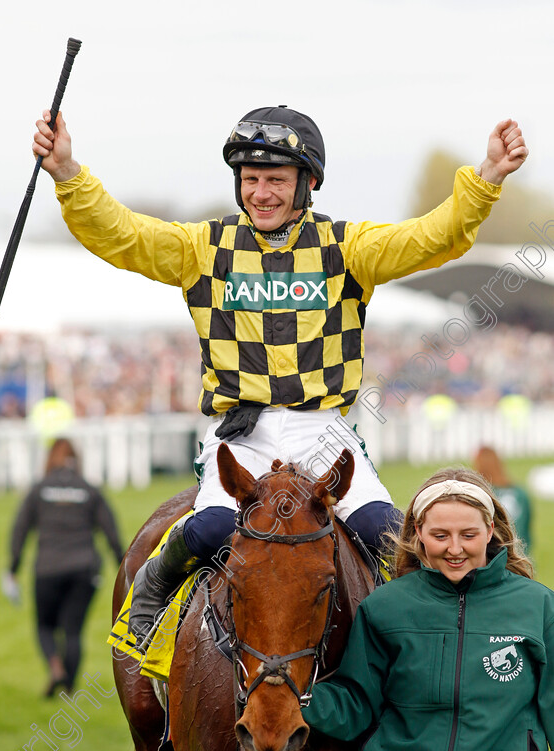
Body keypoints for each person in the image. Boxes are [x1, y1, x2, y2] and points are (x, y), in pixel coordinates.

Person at [31, 105, 529, 644]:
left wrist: (486, 178)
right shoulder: (202, 247)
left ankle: (421, 653)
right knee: (215, 527)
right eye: (250, 180)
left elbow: (429, 237)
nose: (261, 193)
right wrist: (66, 172)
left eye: (276, 179)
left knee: (389, 539)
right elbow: (122, 234)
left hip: (324, 433)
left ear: (308, 182)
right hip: (240, 435)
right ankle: (153, 585)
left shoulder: (347, 247)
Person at [301, 467, 553, 751]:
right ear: (417, 533)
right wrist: (296, 695)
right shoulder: (385, 607)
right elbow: (357, 701)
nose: (455, 548)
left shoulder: (536, 605)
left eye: (468, 534)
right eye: (439, 535)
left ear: (491, 530)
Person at [4, 438, 124, 695]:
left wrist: (12, 569)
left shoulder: (39, 489)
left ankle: (56, 669)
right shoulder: (89, 489)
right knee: (73, 630)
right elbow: (111, 532)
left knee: (45, 626)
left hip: (48, 568)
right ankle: (68, 689)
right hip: (85, 569)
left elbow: (20, 530)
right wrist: (125, 569)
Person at [473, 444, 533, 552]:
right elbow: (527, 529)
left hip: (493, 556)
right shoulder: (520, 492)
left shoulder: (481, 494)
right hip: (519, 554)